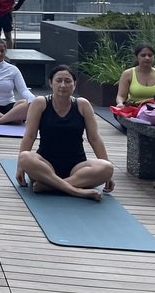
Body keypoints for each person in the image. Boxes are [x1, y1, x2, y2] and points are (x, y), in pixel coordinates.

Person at [16, 65, 115, 201]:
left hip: (76, 166)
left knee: (107, 167)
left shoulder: (82, 105)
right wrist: (20, 167)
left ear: (74, 84)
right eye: (59, 80)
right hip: (46, 165)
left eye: (68, 81)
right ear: (51, 83)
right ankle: (76, 191)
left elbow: (94, 138)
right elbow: (30, 135)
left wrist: (108, 175)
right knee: (25, 157)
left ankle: (51, 187)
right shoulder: (40, 103)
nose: (63, 85)